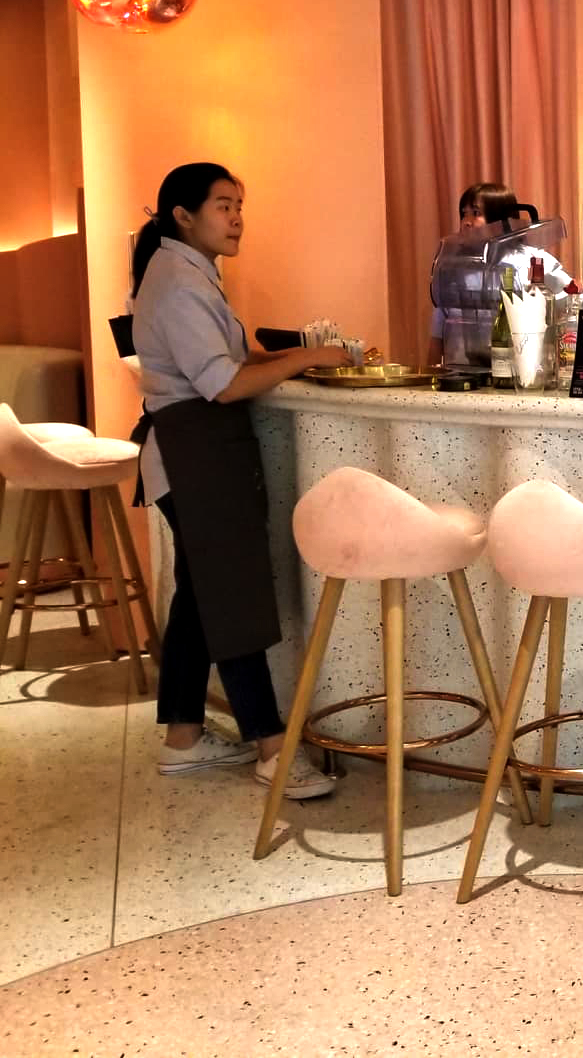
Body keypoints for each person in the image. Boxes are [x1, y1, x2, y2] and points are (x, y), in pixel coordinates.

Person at [130, 163, 349, 798]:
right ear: (183, 216)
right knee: (230, 595)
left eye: (239, 206)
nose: (236, 218)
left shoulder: (186, 272)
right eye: (223, 205)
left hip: (196, 452)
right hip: (193, 452)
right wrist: (309, 357)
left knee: (201, 596)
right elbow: (222, 384)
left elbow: (226, 358)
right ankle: (272, 748)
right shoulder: (178, 283)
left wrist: (285, 357)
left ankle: (183, 738)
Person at [426, 182, 583, 367]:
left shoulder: (529, 260)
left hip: (522, 371)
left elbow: (581, 303)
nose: (467, 221)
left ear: (500, 220)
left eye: (476, 213)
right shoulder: (455, 266)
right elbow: (439, 328)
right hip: (466, 370)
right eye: (464, 214)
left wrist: (577, 293)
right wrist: (432, 374)